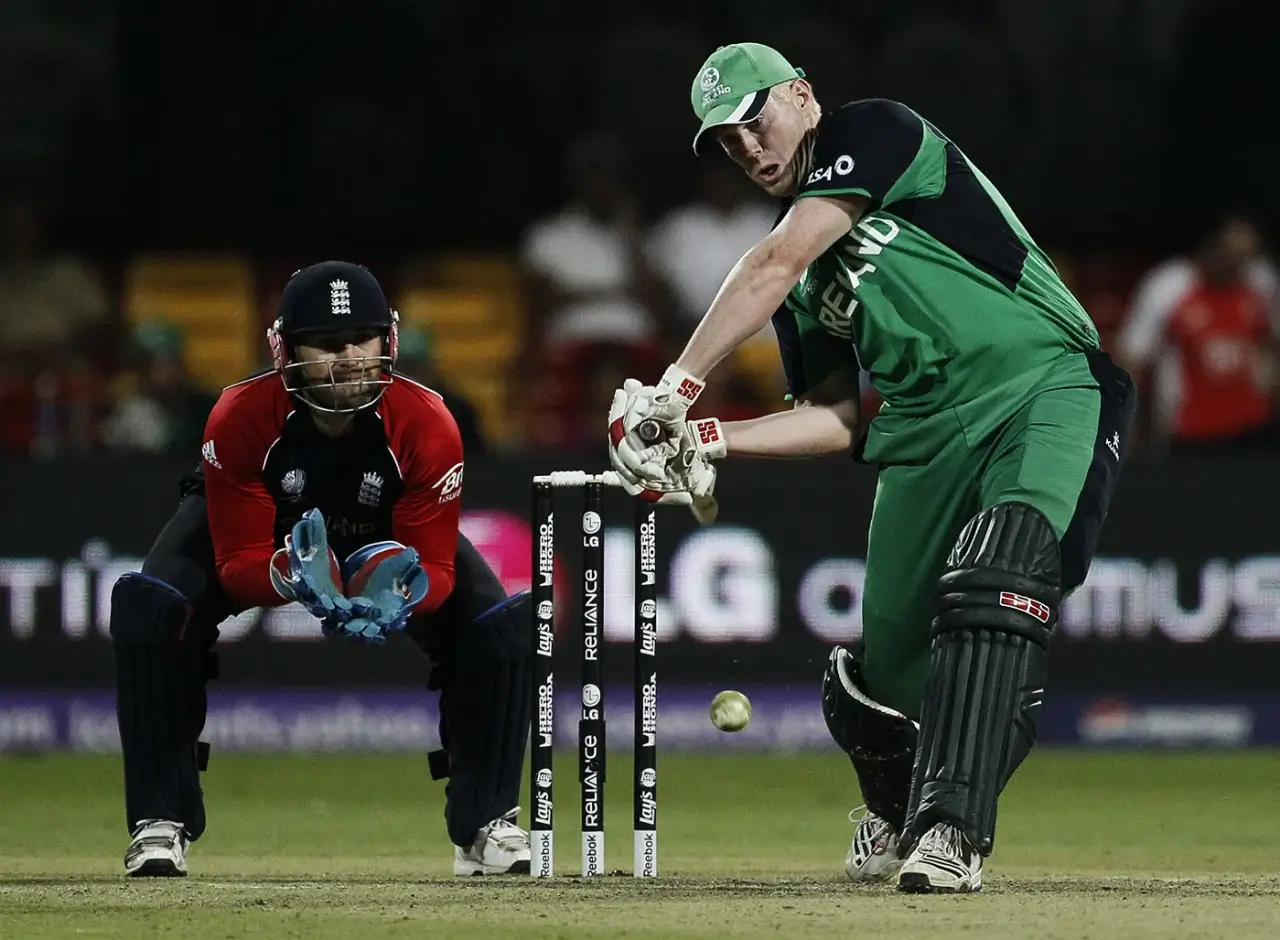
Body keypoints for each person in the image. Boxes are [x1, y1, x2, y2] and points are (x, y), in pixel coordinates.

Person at [607, 43, 1137, 894]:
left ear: (804, 98)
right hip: (921, 440)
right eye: (727, 142)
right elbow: (838, 417)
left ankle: (949, 833)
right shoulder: (806, 276)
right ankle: (899, 811)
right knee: (871, 688)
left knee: (990, 581)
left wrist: (673, 388)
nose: (748, 149)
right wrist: (708, 438)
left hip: (1041, 387)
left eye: (756, 121)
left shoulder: (876, 133)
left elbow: (770, 263)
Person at [108, 261, 531, 878]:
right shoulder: (241, 416)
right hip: (266, 532)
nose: (349, 359)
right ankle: (159, 821)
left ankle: (485, 825)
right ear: (287, 349)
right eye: (328, 345)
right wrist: (288, 575)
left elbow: (436, 568)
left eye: (361, 340)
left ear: (387, 340)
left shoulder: (427, 422)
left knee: (499, 627)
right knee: (152, 609)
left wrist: (401, 593)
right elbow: (234, 565)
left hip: (385, 527)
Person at [1117, 214, 1279, 455]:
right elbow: (1132, 357)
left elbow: (1273, 342)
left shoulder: (1261, 280)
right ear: (1212, 247)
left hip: (1253, 425)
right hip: (1190, 432)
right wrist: (1131, 430)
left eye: (1246, 256)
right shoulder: (1168, 286)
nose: (1238, 265)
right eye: (1231, 255)